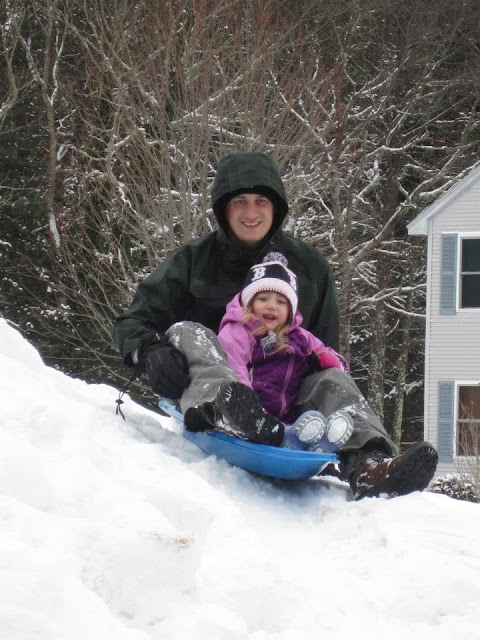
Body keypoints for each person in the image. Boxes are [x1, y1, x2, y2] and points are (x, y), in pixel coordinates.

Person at [114, 151, 438, 500]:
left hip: (284, 399)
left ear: (277, 207)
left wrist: (323, 398)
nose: (251, 213)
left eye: (261, 202)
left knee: (331, 378)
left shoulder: (309, 267)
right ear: (223, 208)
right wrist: (149, 351)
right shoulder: (193, 261)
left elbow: (325, 347)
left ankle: (370, 464)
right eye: (240, 202)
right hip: (208, 395)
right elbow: (134, 320)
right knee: (190, 333)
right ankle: (230, 410)